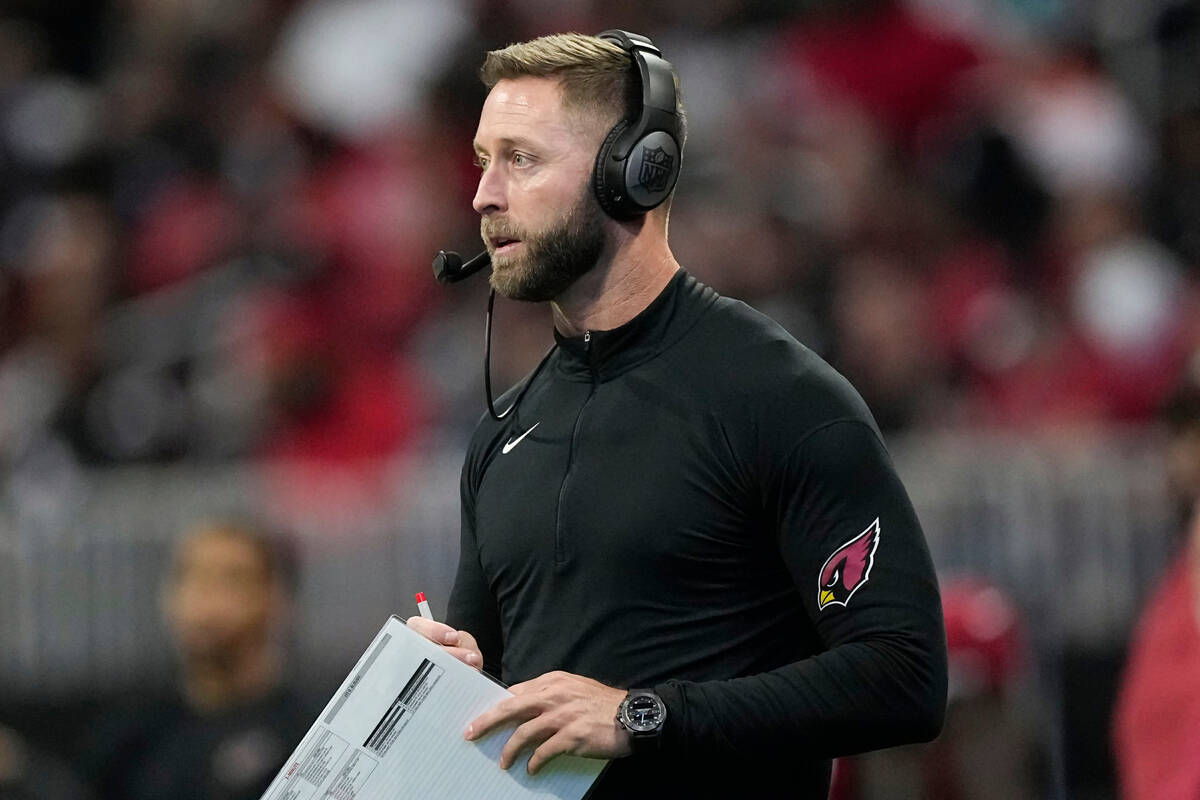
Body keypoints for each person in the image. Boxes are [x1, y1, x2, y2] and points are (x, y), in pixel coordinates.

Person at [407, 31, 947, 798]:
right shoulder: (502, 435)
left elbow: (904, 674)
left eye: (521, 159)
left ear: (635, 171)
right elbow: (504, 712)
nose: (484, 196)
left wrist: (641, 716)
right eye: (483, 160)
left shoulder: (781, 399)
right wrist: (450, 679)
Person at [82, 518, 313, 800]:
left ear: (277, 598)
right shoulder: (128, 736)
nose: (204, 597)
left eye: (232, 579)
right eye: (190, 575)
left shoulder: (311, 732)